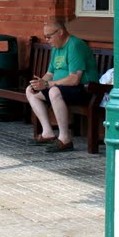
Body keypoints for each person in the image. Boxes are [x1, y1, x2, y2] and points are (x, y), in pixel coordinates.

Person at [25, 17, 98, 153]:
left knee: (54, 91)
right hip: (62, 88)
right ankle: (47, 132)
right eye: (45, 37)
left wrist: (48, 84)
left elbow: (74, 79)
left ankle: (65, 138)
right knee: (30, 91)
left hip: (86, 89)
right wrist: (40, 83)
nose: (47, 40)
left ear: (60, 32)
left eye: (49, 37)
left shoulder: (75, 45)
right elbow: (50, 73)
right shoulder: (56, 48)